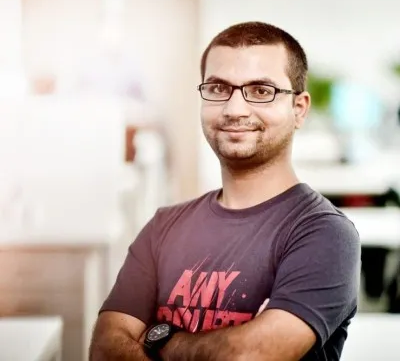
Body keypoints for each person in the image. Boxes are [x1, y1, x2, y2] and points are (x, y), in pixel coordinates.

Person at [89, 21, 361, 361]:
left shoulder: (324, 233)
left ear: (299, 109)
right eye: (218, 88)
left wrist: (161, 340)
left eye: (260, 91)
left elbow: (249, 355)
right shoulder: (163, 227)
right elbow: (105, 348)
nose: (234, 109)